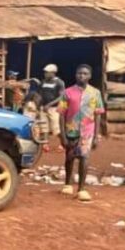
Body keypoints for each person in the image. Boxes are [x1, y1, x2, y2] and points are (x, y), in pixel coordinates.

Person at [58, 65, 105, 202]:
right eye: (79, 73)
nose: (82, 76)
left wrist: (96, 136)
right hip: (70, 130)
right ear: (75, 75)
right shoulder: (67, 93)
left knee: (84, 158)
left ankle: (81, 189)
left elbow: (98, 115)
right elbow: (61, 114)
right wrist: (62, 135)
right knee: (69, 158)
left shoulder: (95, 93)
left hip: (87, 132)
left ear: (90, 76)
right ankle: (67, 184)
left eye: (85, 74)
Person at [25, 64, 65, 151]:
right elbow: (39, 94)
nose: (45, 74)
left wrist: (50, 104)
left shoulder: (59, 82)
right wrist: (38, 105)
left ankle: (63, 144)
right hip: (43, 108)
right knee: (44, 127)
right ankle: (45, 144)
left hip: (53, 109)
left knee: (56, 128)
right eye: (45, 72)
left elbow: (61, 97)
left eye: (47, 72)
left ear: (53, 73)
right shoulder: (43, 82)